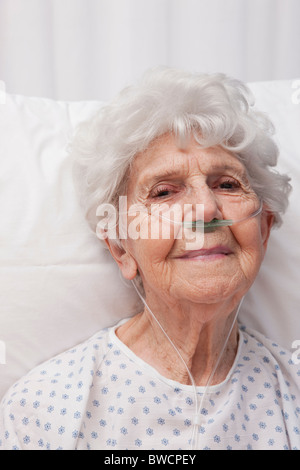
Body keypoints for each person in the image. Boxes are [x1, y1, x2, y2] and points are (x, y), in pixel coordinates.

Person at [0, 67, 299, 451]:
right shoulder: (41, 415)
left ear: (263, 231)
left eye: (227, 184)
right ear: (122, 248)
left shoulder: (291, 396)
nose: (206, 210)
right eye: (163, 193)